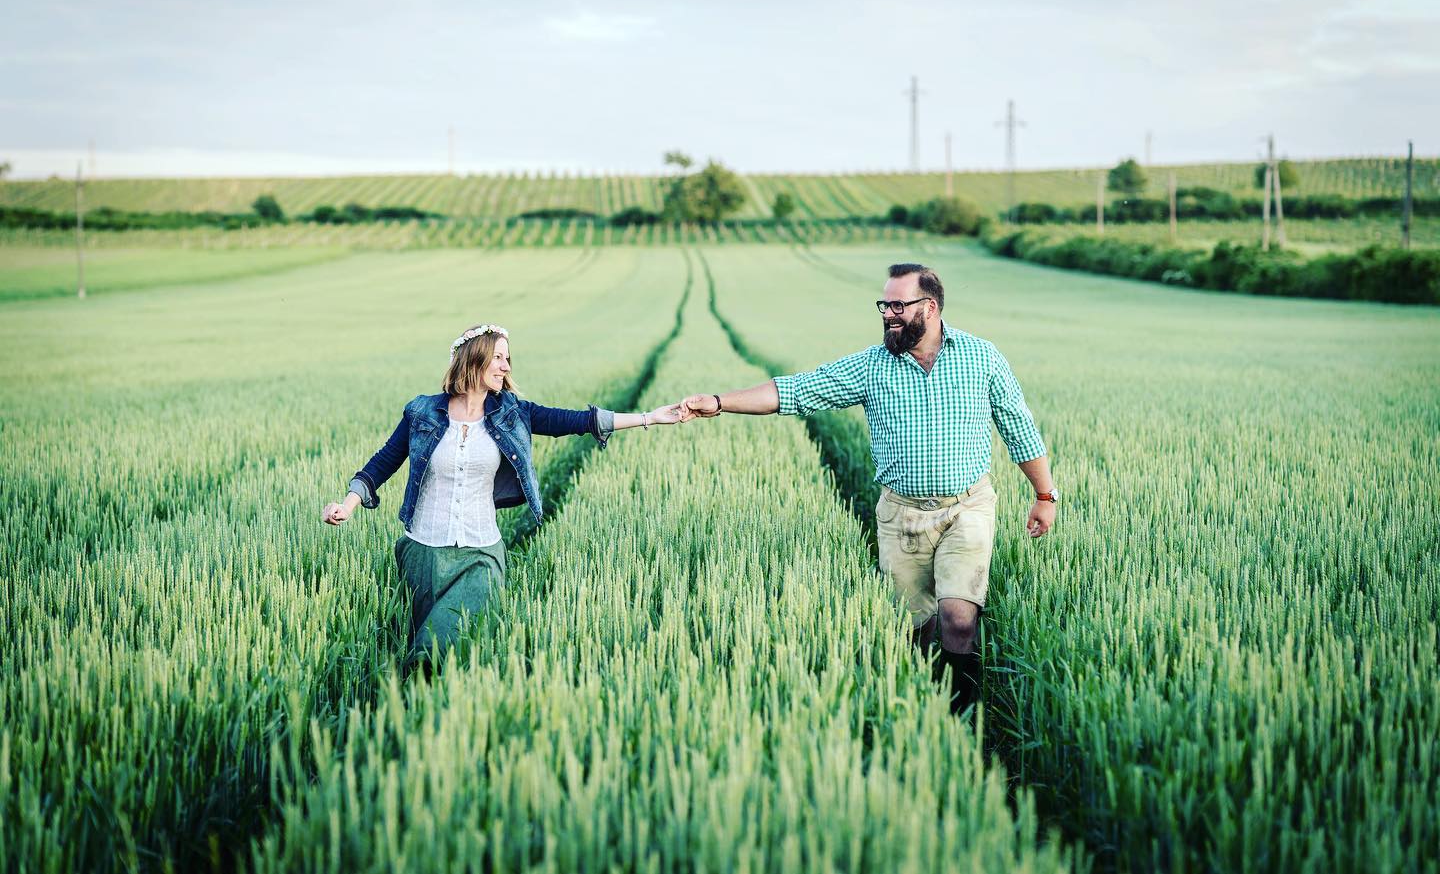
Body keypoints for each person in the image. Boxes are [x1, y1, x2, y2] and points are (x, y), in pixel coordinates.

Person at [680, 264, 1056, 713]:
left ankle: (963, 722)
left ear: (930, 307)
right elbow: (796, 391)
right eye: (884, 305)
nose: (888, 314)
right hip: (901, 516)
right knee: (917, 627)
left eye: (899, 305)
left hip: (968, 507)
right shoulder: (871, 366)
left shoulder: (981, 357)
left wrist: (1044, 495)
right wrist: (719, 403)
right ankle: (927, 708)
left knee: (958, 617)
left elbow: (1018, 427)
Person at [322, 323, 683, 669]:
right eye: (498, 357)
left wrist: (650, 417)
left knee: (436, 649)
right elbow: (383, 461)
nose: (506, 366)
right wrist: (348, 505)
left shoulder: (513, 414)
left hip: (481, 552)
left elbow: (576, 421)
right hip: (423, 552)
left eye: (507, 359)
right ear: (473, 358)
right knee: (424, 642)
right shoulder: (421, 412)